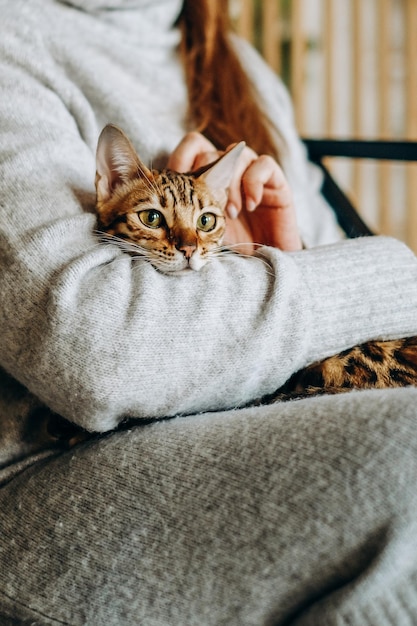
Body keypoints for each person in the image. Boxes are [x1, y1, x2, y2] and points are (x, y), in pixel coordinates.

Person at [1, 1, 417, 624]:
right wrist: (394, 272)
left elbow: (344, 313)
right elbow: (100, 352)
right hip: (53, 469)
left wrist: (284, 253)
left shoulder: (238, 62)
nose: (190, 244)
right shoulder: (16, 40)